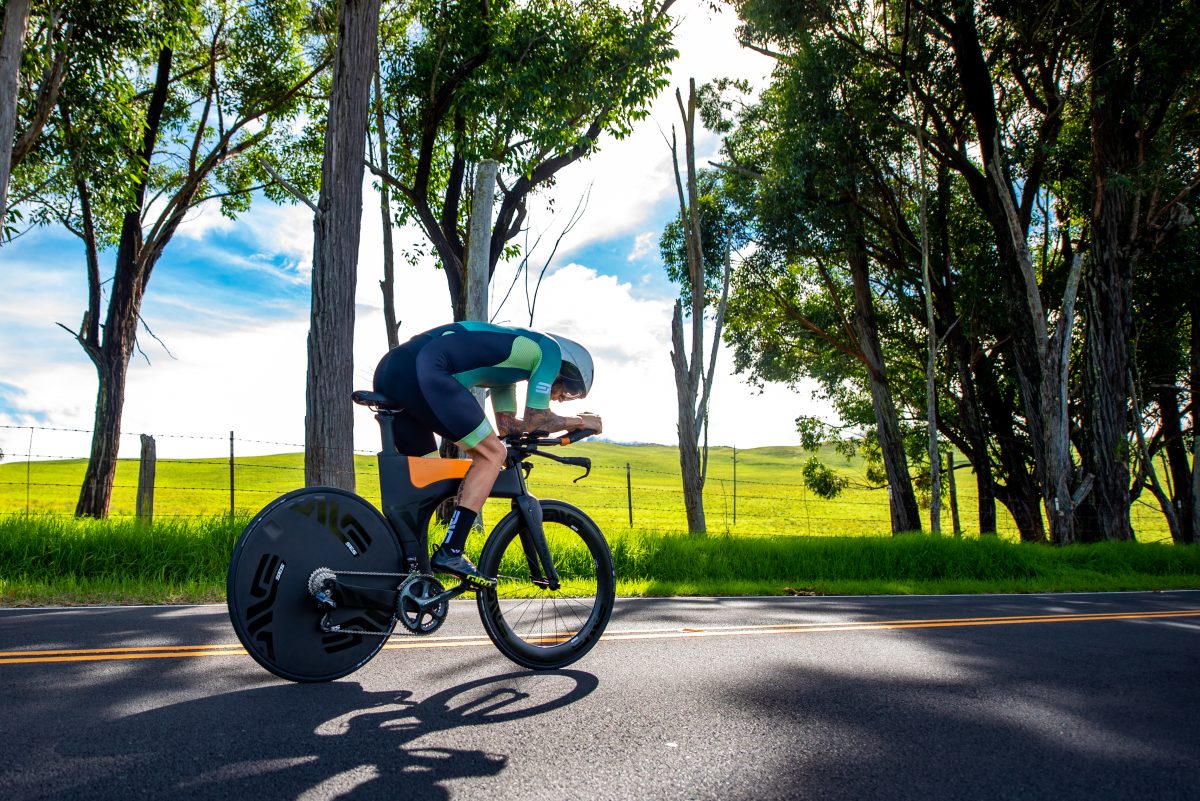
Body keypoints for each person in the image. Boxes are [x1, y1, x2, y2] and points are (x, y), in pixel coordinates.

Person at [371, 320, 602, 588]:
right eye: (572, 390)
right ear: (567, 366)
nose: (564, 398)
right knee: (492, 454)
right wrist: (581, 422)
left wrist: (540, 430)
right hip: (426, 368)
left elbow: (508, 426)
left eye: (572, 398)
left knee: (427, 481)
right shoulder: (549, 350)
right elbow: (537, 418)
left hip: (393, 369)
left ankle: (408, 574)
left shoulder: (507, 375)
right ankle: (452, 551)